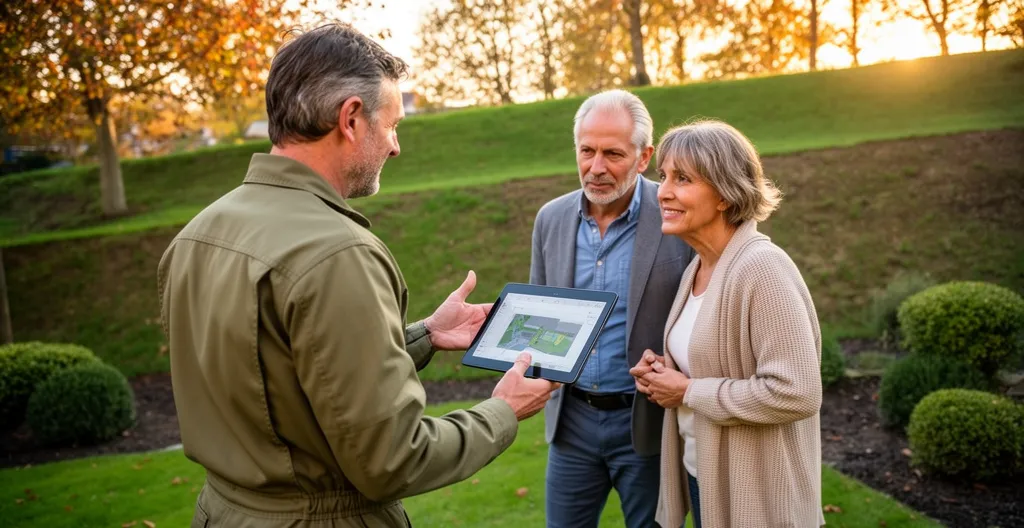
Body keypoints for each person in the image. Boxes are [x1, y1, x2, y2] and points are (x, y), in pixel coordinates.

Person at [158, 23, 557, 528]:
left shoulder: (198, 233)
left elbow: (282, 376)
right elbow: (392, 458)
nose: (395, 147)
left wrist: (425, 336)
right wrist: (501, 411)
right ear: (350, 118)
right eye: (393, 125)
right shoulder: (337, 252)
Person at [630, 120, 824, 528]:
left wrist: (688, 389)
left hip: (756, 494)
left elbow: (798, 392)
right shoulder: (699, 267)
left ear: (723, 193)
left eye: (683, 179)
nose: (663, 191)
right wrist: (667, 374)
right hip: (705, 475)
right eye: (663, 176)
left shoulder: (762, 269)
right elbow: (714, 364)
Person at [530, 89, 695, 527]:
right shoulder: (550, 218)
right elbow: (540, 313)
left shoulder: (677, 214)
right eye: (587, 151)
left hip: (648, 423)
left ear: (644, 157)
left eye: (612, 154)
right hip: (571, 422)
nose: (596, 167)